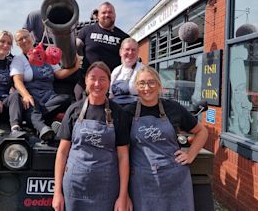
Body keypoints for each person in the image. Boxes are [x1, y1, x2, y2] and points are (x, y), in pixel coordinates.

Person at [124, 66, 208, 210]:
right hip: (143, 180)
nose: (147, 87)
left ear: (159, 85)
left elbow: (202, 131)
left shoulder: (173, 108)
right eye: (142, 83)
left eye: (151, 82)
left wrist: (190, 154)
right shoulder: (127, 112)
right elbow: (121, 150)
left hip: (174, 179)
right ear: (136, 87)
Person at [52, 62, 131, 211]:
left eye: (102, 79)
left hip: (106, 188)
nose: (97, 83)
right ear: (86, 80)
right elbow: (62, 153)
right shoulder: (74, 110)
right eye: (93, 78)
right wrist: (57, 192)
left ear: (109, 82)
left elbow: (123, 157)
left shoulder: (118, 113)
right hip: (75, 187)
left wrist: (123, 195)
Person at [11, 29, 80, 141]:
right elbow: (17, 80)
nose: (24, 40)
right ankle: (43, 128)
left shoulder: (45, 55)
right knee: (32, 106)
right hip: (33, 97)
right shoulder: (19, 60)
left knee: (67, 99)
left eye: (26, 37)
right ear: (17, 44)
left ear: (32, 38)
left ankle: (35, 119)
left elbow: (59, 74)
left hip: (50, 98)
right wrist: (25, 95)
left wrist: (75, 67)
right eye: (20, 39)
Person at [75, 2, 129, 100]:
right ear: (97, 16)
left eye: (110, 12)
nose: (107, 15)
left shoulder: (123, 37)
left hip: (112, 85)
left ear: (115, 15)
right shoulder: (86, 30)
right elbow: (75, 47)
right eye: (104, 12)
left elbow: (129, 58)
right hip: (86, 81)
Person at [109, 37, 143, 105]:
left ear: (138, 52)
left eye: (133, 50)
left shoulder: (143, 70)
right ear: (120, 52)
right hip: (117, 110)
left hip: (136, 111)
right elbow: (111, 95)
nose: (130, 53)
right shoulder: (116, 71)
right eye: (127, 49)